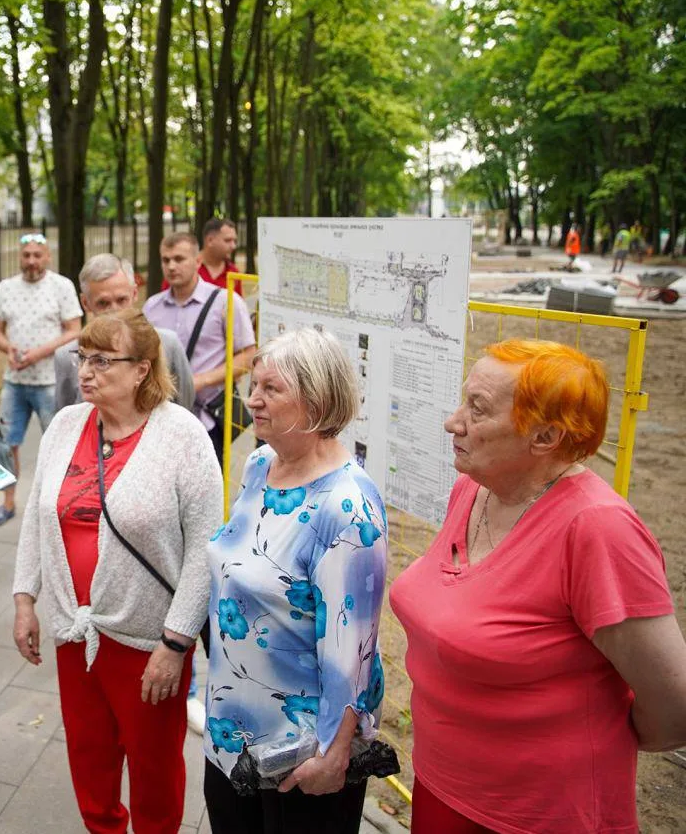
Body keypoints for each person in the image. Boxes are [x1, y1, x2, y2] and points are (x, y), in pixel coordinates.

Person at [390, 339, 686, 834]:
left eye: (477, 409)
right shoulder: (474, 488)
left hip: (538, 815)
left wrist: (573, 741)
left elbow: (673, 707)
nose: (452, 421)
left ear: (545, 437)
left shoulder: (597, 529)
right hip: (443, 786)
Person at [13, 309, 219, 834]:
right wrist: (24, 599)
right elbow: (37, 517)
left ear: (142, 370)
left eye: (103, 360)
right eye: (82, 357)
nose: (85, 371)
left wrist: (175, 645)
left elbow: (204, 550)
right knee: (90, 758)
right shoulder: (65, 425)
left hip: (148, 643)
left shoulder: (183, 437)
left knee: (154, 769)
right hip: (74, 632)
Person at [203, 328, 388, 834]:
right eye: (253, 384)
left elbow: (352, 651)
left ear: (317, 401)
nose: (252, 400)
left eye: (271, 389)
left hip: (300, 757)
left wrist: (333, 756)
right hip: (233, 732)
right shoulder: (262, 464)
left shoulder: (347, 508)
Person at [0, 233, 83, 527]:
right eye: (26, 255)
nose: (31, 261)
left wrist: (40, 352)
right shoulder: (6, 287)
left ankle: (57, 505)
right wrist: (9, 348)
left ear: (48, 256)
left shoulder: (61, 286)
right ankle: (8, 502)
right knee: (6, 444)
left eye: (37, 255)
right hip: (15, 381)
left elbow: (74, 330)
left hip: (50, 381)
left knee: (59, 445)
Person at [144, 233, 256, 465]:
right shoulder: (151, 307)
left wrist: (199, 381)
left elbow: (248, 356)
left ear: (197, 261)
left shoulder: (226, 302)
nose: (171, 266)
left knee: (206, 496)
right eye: (165, 260)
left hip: (208, 418)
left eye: (179, 259)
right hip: (161, 417)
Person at [54, 253, 195, 412]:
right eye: (103, 303)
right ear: (85, 303)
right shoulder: (68, 357)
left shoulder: (167, 345)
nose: (114, 311)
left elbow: (185, 407)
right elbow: (65, 423)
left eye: (121, 300)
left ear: (134, 294)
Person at [159, 218, 244, 295]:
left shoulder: (234, 273)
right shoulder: (182, 269)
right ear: (210, 240)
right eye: (227, 240)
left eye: (234, 241)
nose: (233, 246)